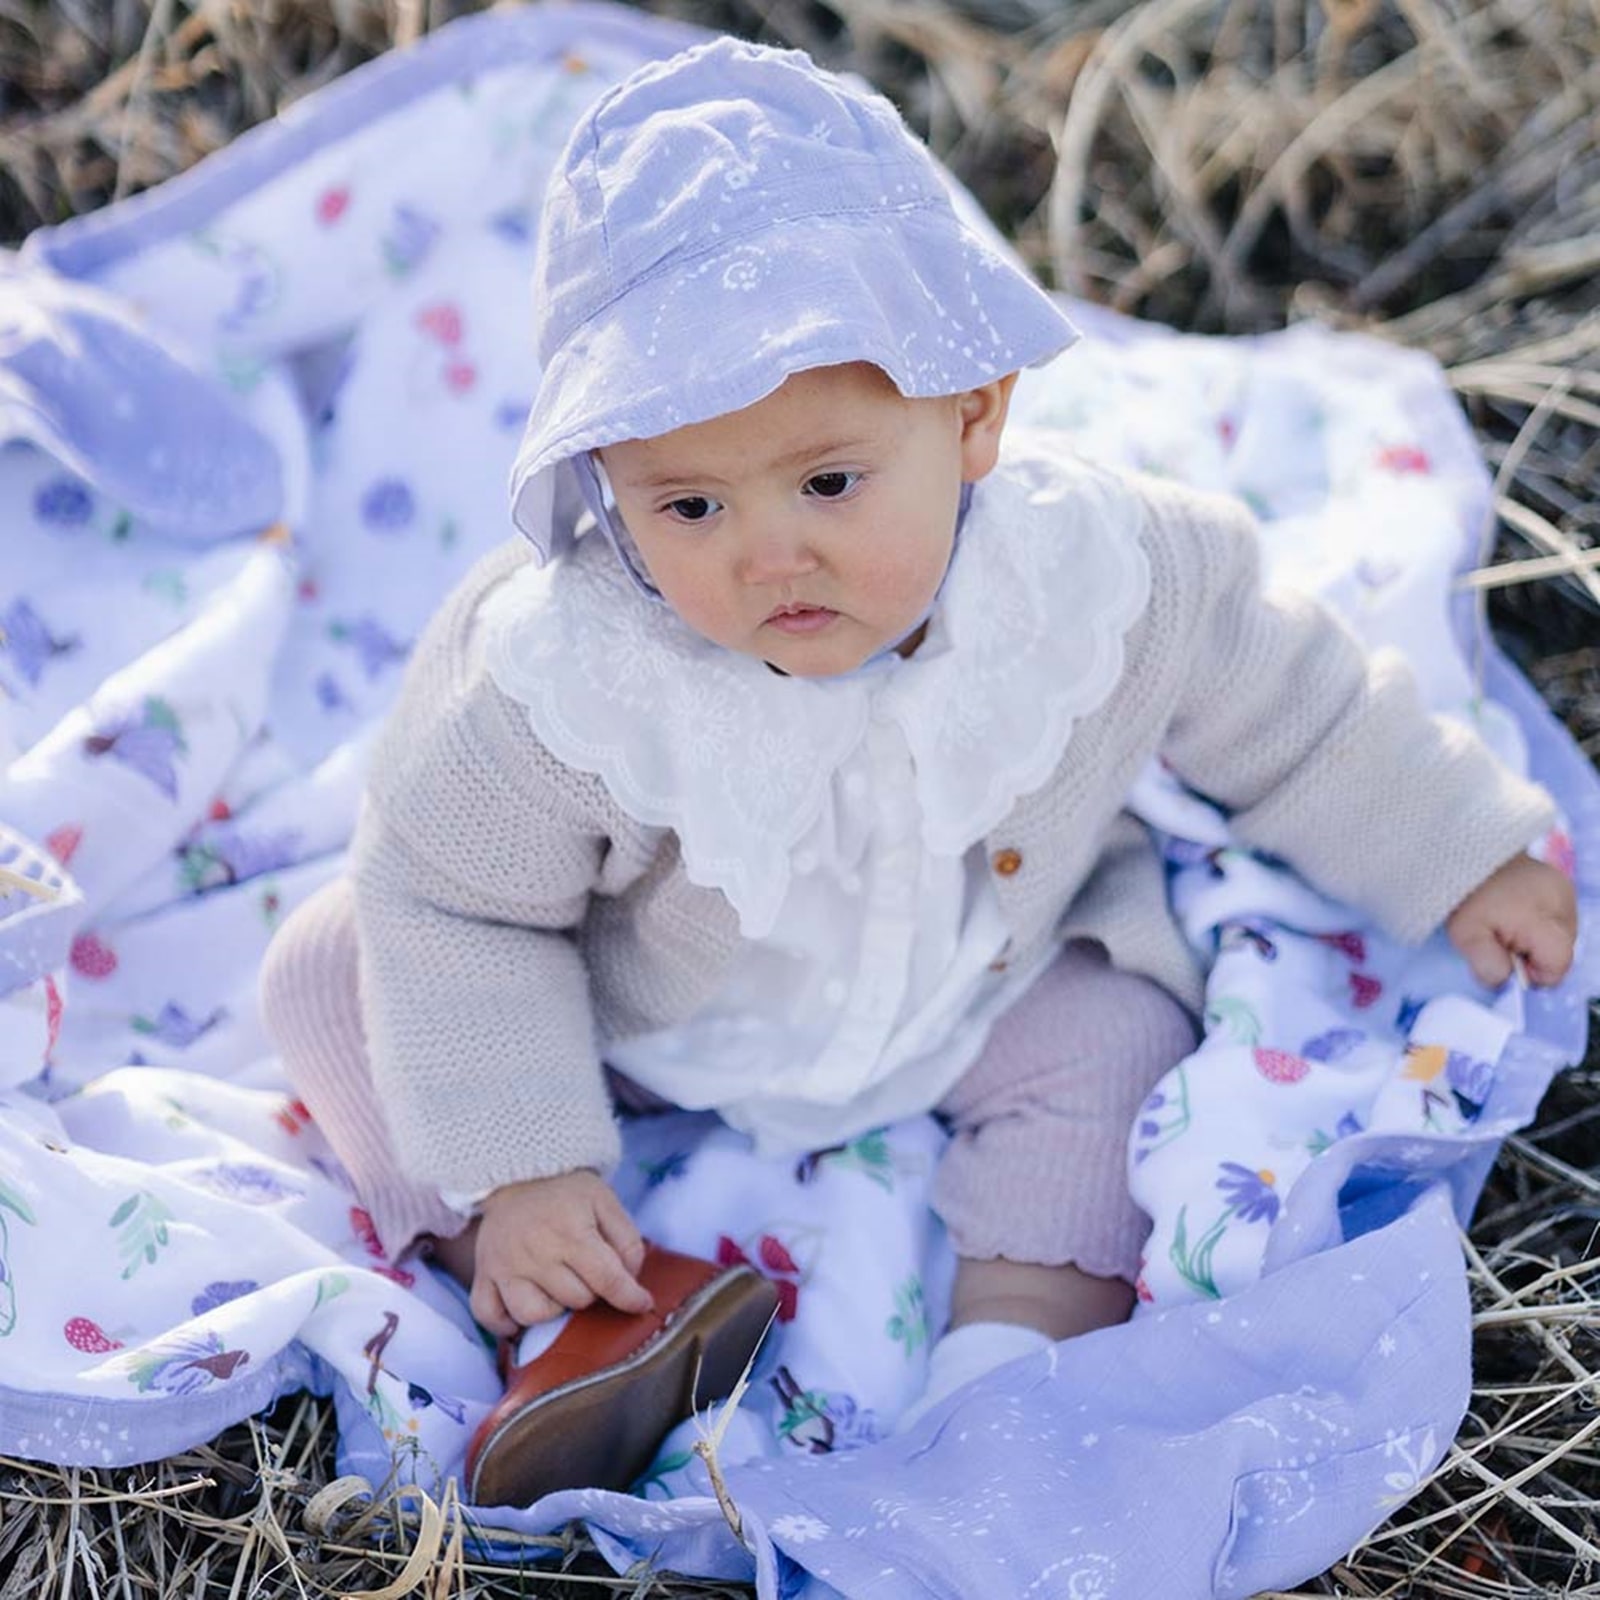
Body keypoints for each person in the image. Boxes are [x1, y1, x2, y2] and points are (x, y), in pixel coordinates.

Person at [260, 36, 1578, 1504]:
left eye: (829, 483)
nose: (770, 555)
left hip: (973, 984)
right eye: (688, 506)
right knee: (333, 970)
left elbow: (1299, 709)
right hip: (643, 1016)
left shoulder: (1097, 577)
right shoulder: (565, 680)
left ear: (972, 415)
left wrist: (1462, 847)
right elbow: (456, 903)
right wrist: (523, 1161)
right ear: (606, 486)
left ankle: (1006, 1376)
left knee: (1118, 1034)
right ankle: (586, 1300)